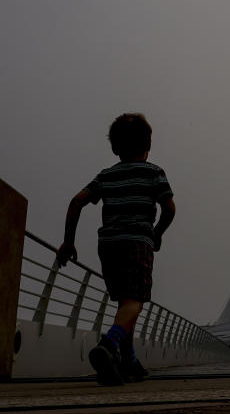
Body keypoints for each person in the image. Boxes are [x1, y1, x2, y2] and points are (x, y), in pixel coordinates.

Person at [56, 113, 176, 386]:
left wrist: (68, 241)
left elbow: (76, 202)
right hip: (137, 242)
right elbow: (169, 209)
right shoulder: (154, 172)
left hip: (108, 246)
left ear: (114, 148)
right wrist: (156, 233)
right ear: (148, 146)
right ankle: (108, 346)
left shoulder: (106, 176)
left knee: (125, 302)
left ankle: (129, 361)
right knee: (135, 302)